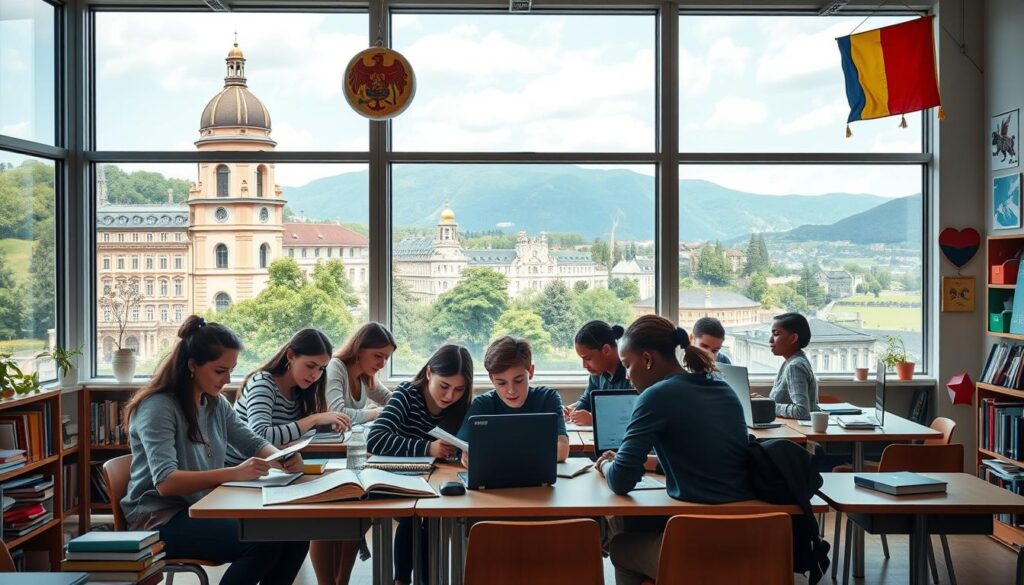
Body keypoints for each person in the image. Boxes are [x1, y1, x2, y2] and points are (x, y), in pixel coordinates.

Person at [121, 316, 308, 585]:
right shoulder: (158, 407)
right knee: (263, 543)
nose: (228, 379)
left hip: (201, 507)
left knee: (296, 534)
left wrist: (282, 456)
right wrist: (234, 473)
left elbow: (251, 441)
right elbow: (165, 482)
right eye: (220, 371)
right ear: (193, 366)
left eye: (231, 370)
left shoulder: (214, 402)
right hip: (158, 520)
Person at [595, 315, 754, 585]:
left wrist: (605, 465)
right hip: (751, 542)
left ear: (647, 359)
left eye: (627, 365)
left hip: (698, 549)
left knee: (622, 546)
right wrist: (648, 462)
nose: (626, 375)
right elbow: (702, 457)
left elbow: (621, 481)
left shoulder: (655, 396)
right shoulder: (723, 389)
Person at [228, 328, 358, 585]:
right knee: (281, 539)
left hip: (269, 476)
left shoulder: (300, 392)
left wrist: (294, 455)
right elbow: (259, 435)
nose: (315, 374)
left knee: (300, 535)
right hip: (237, 478)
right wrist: (313, 420)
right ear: (290, 355)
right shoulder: (263, 383)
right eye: (310, 365)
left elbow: (286, 441)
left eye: (321, 369)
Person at [366, 344, 473, 585]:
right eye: (444, 386)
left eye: (459, 389)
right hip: (401, 478)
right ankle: (402, 579)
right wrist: (428, 448)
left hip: (438, 481)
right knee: (412, 517)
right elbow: (375, 439)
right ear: (428, 374)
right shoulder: (407, 394)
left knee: (434, 517)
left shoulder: (462, 405)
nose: (449, 396)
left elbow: (467, 444)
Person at [458, 336, 570, 464]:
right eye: (501, 383)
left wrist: (499, 458)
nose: (511, 390)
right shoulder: (482, 404)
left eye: (518, 380)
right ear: (491, 379)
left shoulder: (547, 399)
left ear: (531, 372)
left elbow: (562, 449)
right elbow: (466, 451)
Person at [563, 320, 633, 426]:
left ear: (606, 350)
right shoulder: (597, 374)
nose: (584, 366)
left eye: (588, 358)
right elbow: (587, 401)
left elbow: (631, 415)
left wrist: (596, 419)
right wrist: (571, 410)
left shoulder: (631, 373)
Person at [326, 322, 397, 424]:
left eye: (386, 358)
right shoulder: (335, 367)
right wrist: (375, 412)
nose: (382, 365)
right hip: (321, 438)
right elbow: (337, 413)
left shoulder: (365, 376)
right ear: (358, 349)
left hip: (343, 437)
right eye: (378, 356)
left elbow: (389, 398)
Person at [768, 312, 819, 420]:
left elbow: (802, 412)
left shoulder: (795, 366)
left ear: (793, 338)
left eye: (776, 334)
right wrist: (764, 402)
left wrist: (767, 406)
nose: (770, 340)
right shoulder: (790, 362)